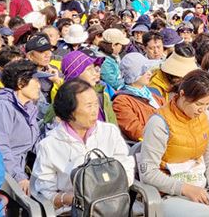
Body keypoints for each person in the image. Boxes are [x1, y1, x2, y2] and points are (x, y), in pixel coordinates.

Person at [140, 70, 209, 216]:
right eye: (198, 104)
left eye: (207, 104)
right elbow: (148, 172)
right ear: (182, 95)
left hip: (202, 189)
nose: (202, 110)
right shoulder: (159, 123)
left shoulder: (206, 117)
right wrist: (186, 189)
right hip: (168, 194)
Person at [31, 79, 135, 215]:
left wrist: (104, 192)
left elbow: (126, 167)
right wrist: (72, 199)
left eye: (96, 104)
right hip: (71, 211)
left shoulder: (109, 132)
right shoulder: (50, 145)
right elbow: (45, 192)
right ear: (70, 111)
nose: (95, 111)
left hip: (113, 207)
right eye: (89, 105)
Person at [0, 60, 43, 195]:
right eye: (35, 80)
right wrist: (19, 177)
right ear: (20, 83)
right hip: (3, 180)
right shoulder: (1, 106)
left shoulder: (29, 107)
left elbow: (36, 144)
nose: (39, 85)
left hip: (20, 172)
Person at [113, 53, 164, 142]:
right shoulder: (121, 101)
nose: (149, 73)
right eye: (144, 71)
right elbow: (137, 132)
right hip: (152, 147)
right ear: (134, 76)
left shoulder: (153, 93)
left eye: (148, 70)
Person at [61, 50, 117, 125]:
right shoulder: (64, 104)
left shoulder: (102, 95)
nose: (94, 73)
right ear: (75, 75)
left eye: (94, 68)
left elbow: (113, 126)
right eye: (89, 69)